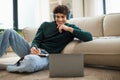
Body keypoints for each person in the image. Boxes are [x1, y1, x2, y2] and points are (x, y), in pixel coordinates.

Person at [0, 5, 93, 72]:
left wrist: (68, 28)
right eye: (57, 16)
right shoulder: (45, 25)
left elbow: (89, 37)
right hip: (31, 51)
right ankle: (24, 60)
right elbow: (37, 40)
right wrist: (33, 47)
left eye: (63, 17)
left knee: (30, 63)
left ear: (67, 17)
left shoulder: (70, 28)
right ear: (54, 16)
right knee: (9, 32)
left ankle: (10, 66)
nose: (60, 19)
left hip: (45, 56)